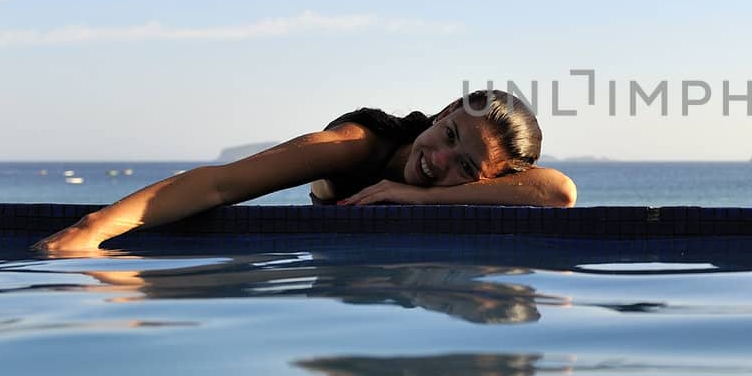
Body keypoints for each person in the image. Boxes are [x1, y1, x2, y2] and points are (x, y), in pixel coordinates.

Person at [33, 89, 576, 254]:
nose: (437, 159)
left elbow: (559, 192)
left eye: (464, 166)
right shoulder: (353, 146)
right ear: (439, 115)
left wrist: (420, 200)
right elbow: (219, 183)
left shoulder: (455, 187)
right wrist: (93, 230)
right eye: (447, 135)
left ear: (491, 178)